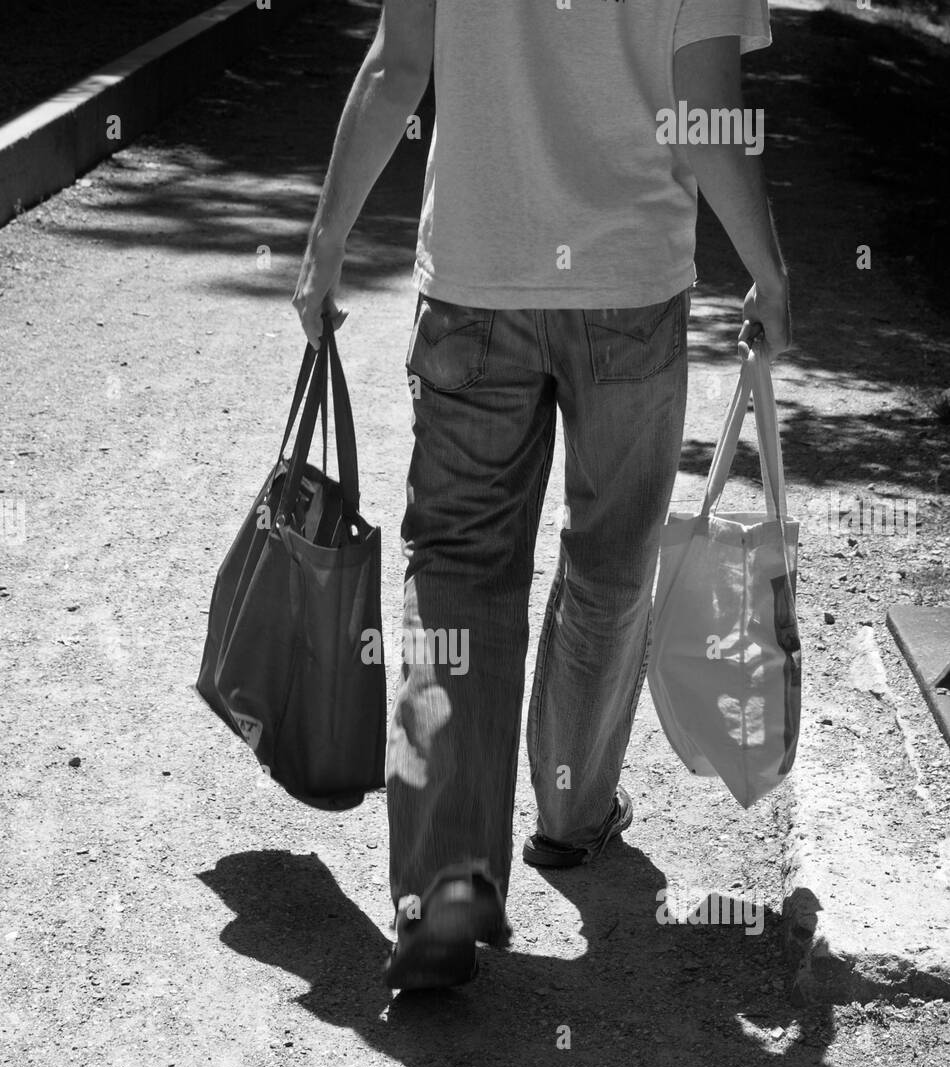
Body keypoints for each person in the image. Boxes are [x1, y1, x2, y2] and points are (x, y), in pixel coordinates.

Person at [292, 0, 791, 991]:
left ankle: (441, 880)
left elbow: (397, 71)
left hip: (476, 282)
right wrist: (767, 268)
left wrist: (326, 240)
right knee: (608, 562)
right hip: (628, 291)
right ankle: (569, 818)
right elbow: (703, 108)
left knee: (456, 577)